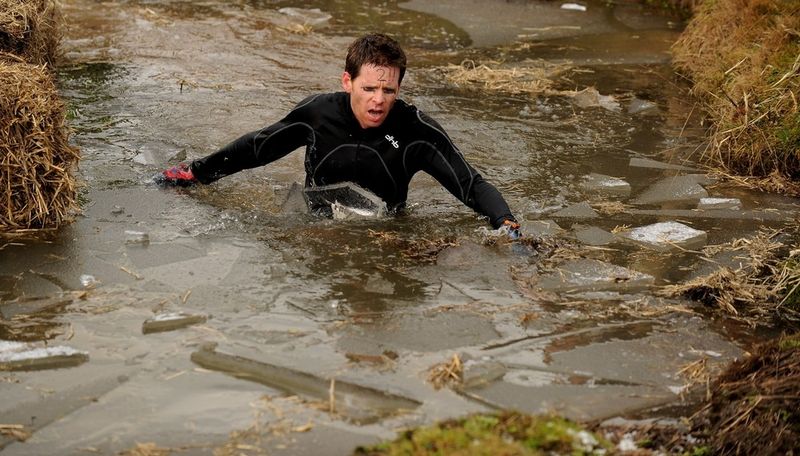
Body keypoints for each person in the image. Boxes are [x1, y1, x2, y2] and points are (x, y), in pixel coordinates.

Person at [160, 33, 520, 238]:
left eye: (389, 91)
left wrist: (506, 223)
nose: (378, 100)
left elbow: (470, 185)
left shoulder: (416, 132)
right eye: (368, 88)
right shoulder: (319, 114)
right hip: (314, 220)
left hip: (383, 231)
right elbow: (257, 148)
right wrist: (197, 172)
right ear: (347, 81)